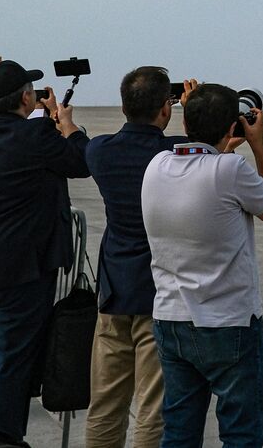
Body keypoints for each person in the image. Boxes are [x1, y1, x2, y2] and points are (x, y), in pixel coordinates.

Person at [142, 82, 263, 448]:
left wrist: (218, 146)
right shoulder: (230, 169)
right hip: (229, 323)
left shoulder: (157, 165)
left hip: (171, 319)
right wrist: (257, 145)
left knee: (178, 430)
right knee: (241, 433)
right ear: (232, 126)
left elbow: (196, 159)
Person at [0, 60, 90, 442]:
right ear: (26, 98)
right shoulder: (36, 136)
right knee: (13, 356)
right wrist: (69, 127)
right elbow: (81, 162)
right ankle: (4, 439)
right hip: (23, 267)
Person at [83, 67, 180, 448]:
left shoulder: (100, 150)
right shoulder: (173, 153)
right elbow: (210, 145)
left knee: (105, 404)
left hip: (113, 292)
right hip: (157, 293)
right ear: (165, 108)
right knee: (152, 408)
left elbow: (78, 141)